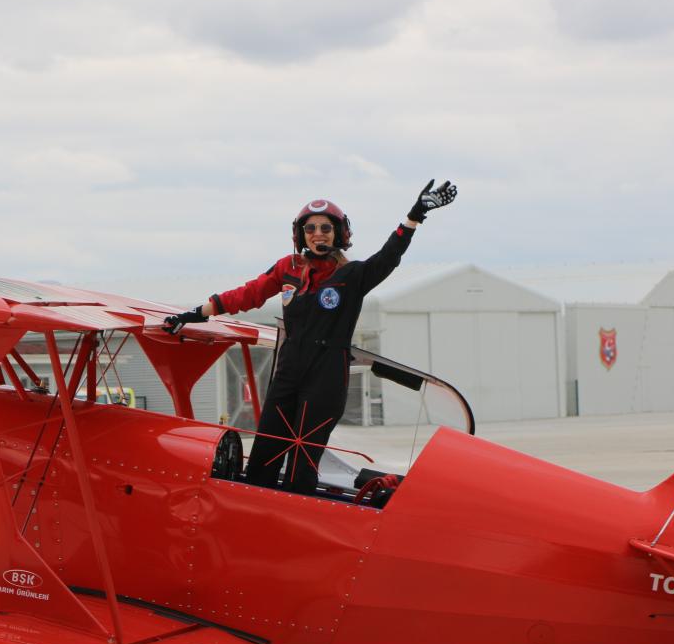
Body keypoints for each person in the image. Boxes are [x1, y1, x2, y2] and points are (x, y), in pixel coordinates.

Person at [164, 179, 457, 495]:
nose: (318, 233)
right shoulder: (287, 268)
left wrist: (414, 216)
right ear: (300, 234)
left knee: (302, 465)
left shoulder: (354, 275)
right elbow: (248, 294)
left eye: (326, 228)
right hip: (288, 373)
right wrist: (195, 313)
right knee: (264, 456)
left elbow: (388, 256)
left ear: (339, 233)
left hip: (326, 378)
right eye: (311, 228)